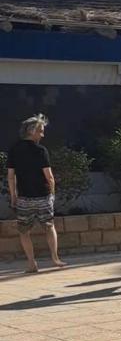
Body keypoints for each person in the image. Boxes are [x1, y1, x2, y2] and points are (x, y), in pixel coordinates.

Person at [6, 114, 66, 273]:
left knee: (24, 231)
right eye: (40, 131)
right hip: (43, 196)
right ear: (31, 131)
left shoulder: (14, 149)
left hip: (24, 198)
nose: (42, 135)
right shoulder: (41, 151)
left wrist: (13, 196)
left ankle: (32, 263)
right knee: (49, 226)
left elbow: (11, 176)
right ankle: (55, 258)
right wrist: (52, 194)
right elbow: (49, 176)